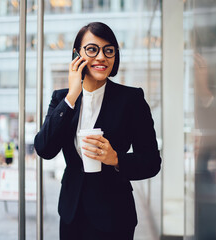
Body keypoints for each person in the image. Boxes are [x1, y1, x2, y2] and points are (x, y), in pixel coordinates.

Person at [34, 22, 161, 240]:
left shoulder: (132, 100)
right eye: (92, 49)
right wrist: (72, 96)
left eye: (108, 50)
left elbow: (151, 162)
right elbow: (44, 148)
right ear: (77, 55)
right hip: (71, 214)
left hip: (115, 216)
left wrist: (117, 159)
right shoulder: (61, 99)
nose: (101, 57)